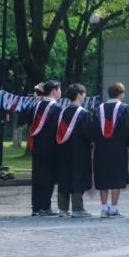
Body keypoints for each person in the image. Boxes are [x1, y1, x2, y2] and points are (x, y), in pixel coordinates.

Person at [93, 81, 129, 218]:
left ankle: (103, 208)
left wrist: (99, 142)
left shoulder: (98, 109)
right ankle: (114, 208)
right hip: (118, 149)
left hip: (101, 150)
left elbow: (92, 130)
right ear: (121, 94)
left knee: (103, 178)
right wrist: (127, 143)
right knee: (116, 179)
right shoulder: (124, 108)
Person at [55, 83, 93, 218]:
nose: (85, 97)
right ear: (79, 95)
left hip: (63, 150)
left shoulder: (62, 112)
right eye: (84, 94)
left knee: (64, 177)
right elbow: (88, 133)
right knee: (78, 177)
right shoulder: (84, 114)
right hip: (79, 151)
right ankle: (77, 208)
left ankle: (62, 208)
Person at [29, 81, 62, 216]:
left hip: (37, 147)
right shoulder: (56, 108)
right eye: (59, 89)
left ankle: (36, 207)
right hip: (51, 148)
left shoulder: (36, 106)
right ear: (54, 91)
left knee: (37, 176)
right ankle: (45, 206)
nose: (60, 92)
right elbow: (57, 129)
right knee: (49, 177)